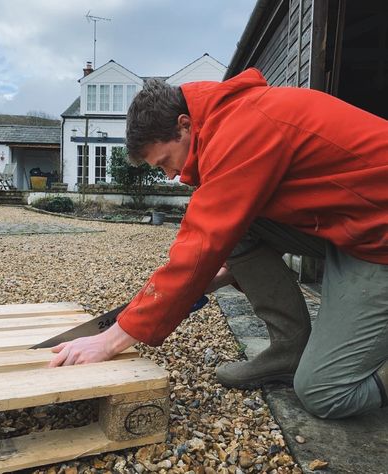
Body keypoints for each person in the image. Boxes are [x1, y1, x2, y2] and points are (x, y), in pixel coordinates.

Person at [50, 68, 388, 419]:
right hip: (351, 224)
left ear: (184, 125)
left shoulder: (244, 129)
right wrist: (212, 278)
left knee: (324, 392)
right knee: (238, 228)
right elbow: (223, 241)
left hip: (378, 240)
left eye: (165, 161)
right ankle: (289, 351)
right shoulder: (229, 120)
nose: (171, 175)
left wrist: (111, 339)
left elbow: (199, 245)